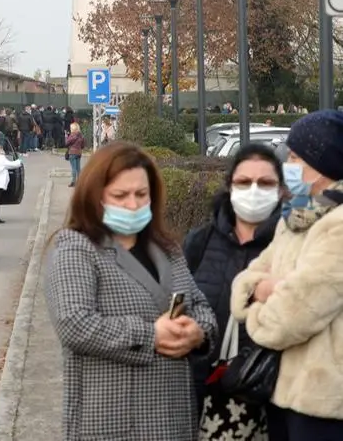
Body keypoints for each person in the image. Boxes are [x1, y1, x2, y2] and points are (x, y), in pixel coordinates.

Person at [45, 141, 216, 441]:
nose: (133, 204)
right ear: (96, 197)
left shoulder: (167, 248)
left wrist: (197, 333)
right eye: (120, 196)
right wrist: (151, 336)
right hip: (112, 423)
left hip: (172, 419)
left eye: (141, 194)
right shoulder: (77, 248)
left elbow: (200, 306)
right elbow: (75, 323)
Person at [231, 110, 343, 441]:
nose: (287, 165)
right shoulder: (295, 217)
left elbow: (292, 318)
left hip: (323, 405)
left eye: (295, 157)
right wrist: (267, 291)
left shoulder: (337, 226)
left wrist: (264, 296)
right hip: (281, 393)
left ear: (322, 165)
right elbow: (243, 286)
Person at [186, 144, 284, 440]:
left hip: (274, 400)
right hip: (206, 395)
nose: (254, 191)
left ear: (281, 191)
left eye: (265, 183)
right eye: (244, 182)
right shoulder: (199, 243)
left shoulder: (293, 246)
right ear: (229, 186)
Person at [65, 122, 84, 187]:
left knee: (73, 168)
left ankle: (73, 181)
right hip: (79, 153)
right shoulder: (81, 136)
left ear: (72, 129)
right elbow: (83, 145)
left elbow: (67, 143)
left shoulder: (72, 135)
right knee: (78, 168)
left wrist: (67, 136)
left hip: (72, 153)